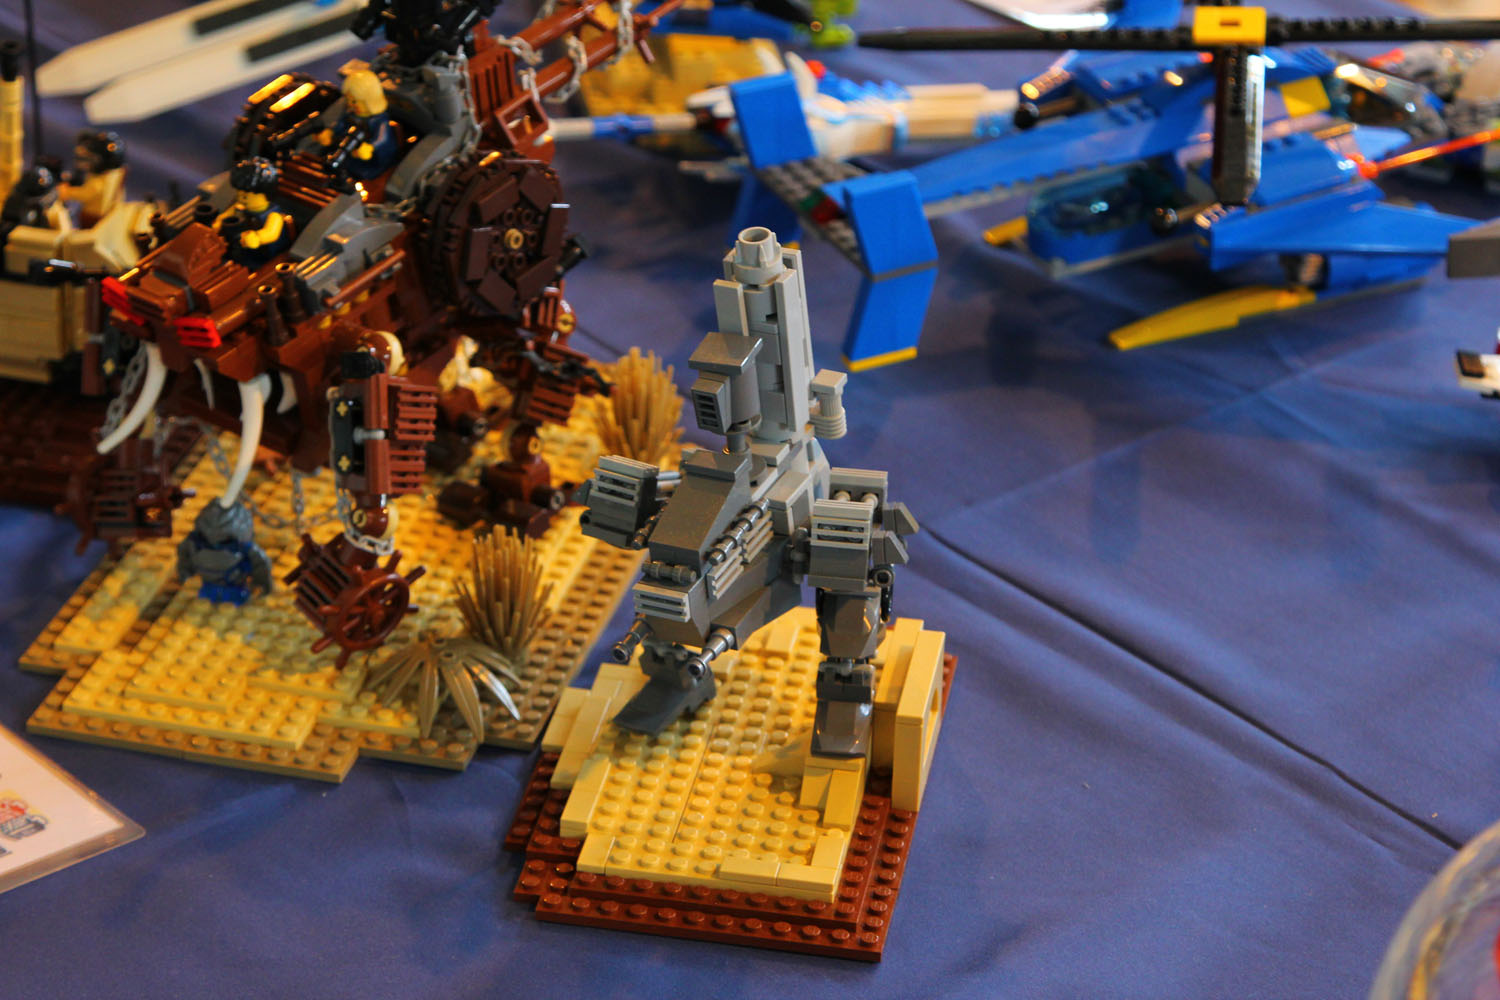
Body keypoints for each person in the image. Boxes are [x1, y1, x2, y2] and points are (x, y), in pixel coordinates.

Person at [316, 68, 400, 180]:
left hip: (371, 160)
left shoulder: (379, 121)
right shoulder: (351, 114)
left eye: (355, 101)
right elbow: (340, 124)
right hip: (349, 153)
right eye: (349, 100)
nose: (351, 104)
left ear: (369, 99)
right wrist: (330, 132)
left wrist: (370, 148)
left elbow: (382, 139)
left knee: (360, 172)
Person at [214, 156, 294, 266]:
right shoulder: (240, 207)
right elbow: (226, 215)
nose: (242, 198)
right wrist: (219, 222)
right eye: (240, 193)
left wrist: (258, 237)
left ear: (265, 194)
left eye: (247, 195)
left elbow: (271, 233)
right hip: (244, 251)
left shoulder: (274, 215)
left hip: (266, 258)